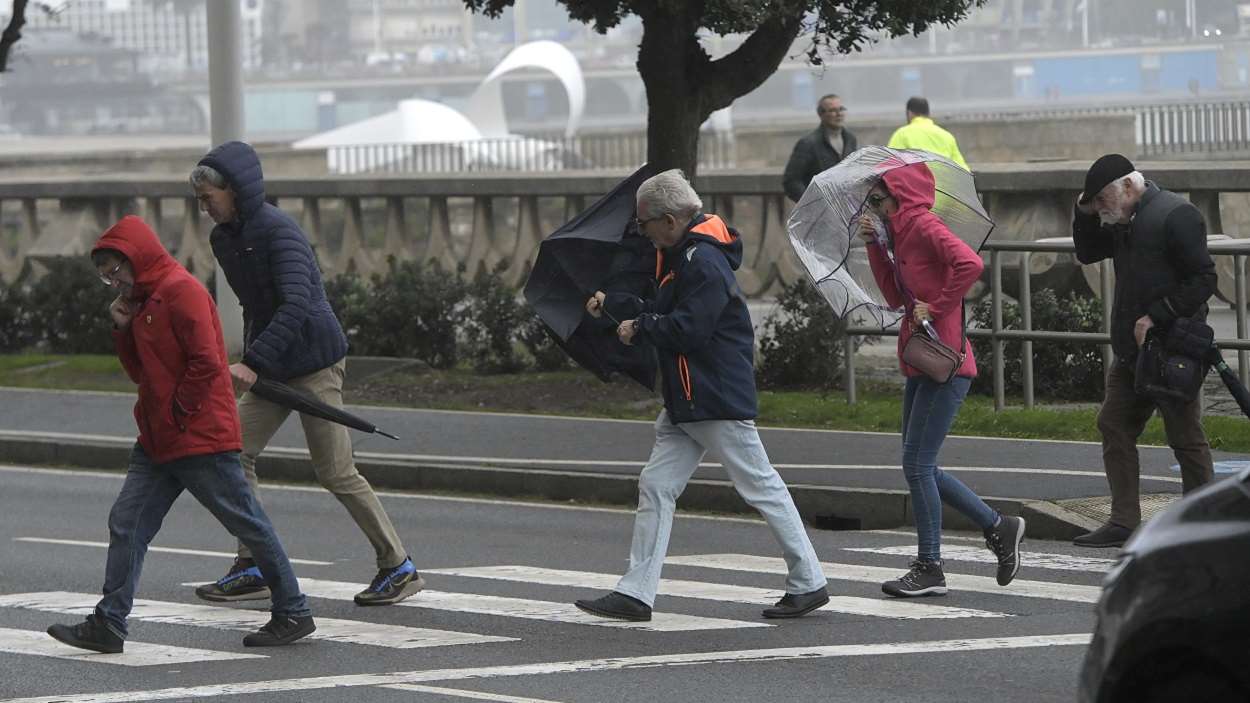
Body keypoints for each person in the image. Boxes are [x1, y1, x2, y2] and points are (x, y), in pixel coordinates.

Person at [46, 216, 315, 653]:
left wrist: (176, 413)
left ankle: (294, 610)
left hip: (197, 437)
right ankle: (109, 623)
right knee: (127, 524)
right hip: (158, 438)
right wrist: (122, 329)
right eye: (106, 275)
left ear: (138, 257)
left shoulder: (180, 291)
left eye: (116, 270)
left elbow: (207, 364)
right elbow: (140, 373)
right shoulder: (144, 301)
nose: (113, 281)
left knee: (245, 521)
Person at [573, 169, 829, 622]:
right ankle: (636, 592)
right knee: (660, 485)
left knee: (759, 485)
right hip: (694, 396)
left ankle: (809, 580)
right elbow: (669, 312)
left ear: (669, 221)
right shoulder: (692, 257)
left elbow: (688, 328)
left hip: (710, 395)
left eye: (645, 225)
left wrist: (642, 326)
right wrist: (616, 305)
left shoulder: (700, 261)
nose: (644, 234)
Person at [189, 141, 420, 606]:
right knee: (232, 452)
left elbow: (298, 304)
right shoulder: (224, 238)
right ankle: (253, 561)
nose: (204, 207)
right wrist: (254, 356)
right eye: (199, 200)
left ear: (234, 191)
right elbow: (256, 305)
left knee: (335, 472)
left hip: (315, 365)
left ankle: (398, 566)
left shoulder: (279, 232)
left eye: (208, 197)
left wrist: (252, 362)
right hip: (273, 367)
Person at [860, 163, 1024, 597]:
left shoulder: (924, 225)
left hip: (945, 363)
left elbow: (969, 264)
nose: (874, 207)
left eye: (879, 200)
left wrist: (937, 304)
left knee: (917, 466)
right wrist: (876, 245)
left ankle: (931, 565)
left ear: (901, 196)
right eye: (872, 202)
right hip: (920, 360)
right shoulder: (898, 234)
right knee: (919, 465)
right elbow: (896, 297)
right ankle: (998, 527)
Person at [1071, 154, 1216, 548]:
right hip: (1134, 351)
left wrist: (1157, 315)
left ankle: (1202, 523)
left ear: (1129, 186)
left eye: (1103, 198)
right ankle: (1123, 521)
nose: (1102, 208)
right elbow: (1086, 252)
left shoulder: (1177, 215)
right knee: (1113, 424)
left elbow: (1204, 279)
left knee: (1184, 436)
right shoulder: (1124, 221)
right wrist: (1083, 211)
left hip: (1173, 348)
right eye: (1097, 202)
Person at [783, 94, 859, 203]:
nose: (838, 114)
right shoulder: (808, 143)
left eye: (841, 109)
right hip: (820, 212)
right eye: (832, 110)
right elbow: (791, 181)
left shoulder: (850, 139)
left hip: (845, 208)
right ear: (821, 114)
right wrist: (811, 204)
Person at [887, 97, 968, 170]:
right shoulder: (947, 136)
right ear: (928, 113)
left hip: (915, 184)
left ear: (910, 113)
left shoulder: (902, 134)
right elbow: (962, 168)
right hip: (943, 184)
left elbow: (890, 165)